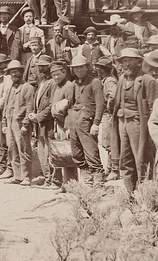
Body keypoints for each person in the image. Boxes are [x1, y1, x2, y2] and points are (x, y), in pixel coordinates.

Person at [113, 48, 156, 193]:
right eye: (124, 61)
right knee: (125, 160)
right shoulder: (121, 79)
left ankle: (146, 195)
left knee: (142, 159)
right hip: (122, 123)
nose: (126, 64)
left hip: (139, 124)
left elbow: (153, 107)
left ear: (138, 62)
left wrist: (150, 131)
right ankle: (130, 195)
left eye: (130, 60)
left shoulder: (147, 80)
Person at [67, 55, 105, 187]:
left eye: (81, 67)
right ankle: (88, 181)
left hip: (87, 123)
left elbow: (100, 104)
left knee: (91, 152)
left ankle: (99, 183)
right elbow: (71, 105)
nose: (78, 70)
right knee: (77, 154)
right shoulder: (74, 84)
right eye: (75, 68)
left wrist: (96, 123)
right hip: (74, 122)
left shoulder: (95, 82)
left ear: (87, 67)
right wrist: (69, 125)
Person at [2, 60, 36, 186]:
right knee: (12, 149)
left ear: (21, 72)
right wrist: (4, 123)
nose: (13, 75)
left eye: (15, 72)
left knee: (24, 149)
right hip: (10, 122)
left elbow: (29, 108)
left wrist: (26, 124)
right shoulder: (11, 87)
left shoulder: (27, 88)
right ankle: (17, 175)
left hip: (20, 123)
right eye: (11, 73)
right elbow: (6, 106)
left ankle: (27, 177)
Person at [49, 60, 77, 192]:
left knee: (69, 155)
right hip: (58, 124)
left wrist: (67, 127)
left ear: (64, 72)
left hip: (66, 124)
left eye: (58, 74)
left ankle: (71, 184)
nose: (56, 77)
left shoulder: (69, 86)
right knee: (61, 155)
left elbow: (70, 108)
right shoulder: (57, 86)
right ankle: (64, 184)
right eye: (53, 75)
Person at [28, 55, 55, 188]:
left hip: (49, 123)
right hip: (40, 125)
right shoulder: (41, 83)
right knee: (41, 153)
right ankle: (47, 179)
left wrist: (39, 116)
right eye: (40, 67)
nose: (42, 69)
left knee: (50, 152)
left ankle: (53, 180)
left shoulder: (52, 83)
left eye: (45, 67)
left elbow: (51, 105)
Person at [94, 57, 119, 181]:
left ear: (103, 69)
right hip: (107, 114)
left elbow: (113, 95)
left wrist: (110, 108)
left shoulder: (109, 81)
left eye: (98, 67)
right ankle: (110, 167)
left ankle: (115, 168)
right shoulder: (105, 80)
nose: (96, 69)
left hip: (108, 115)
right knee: (107, 141)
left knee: (110, 142)